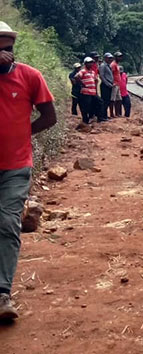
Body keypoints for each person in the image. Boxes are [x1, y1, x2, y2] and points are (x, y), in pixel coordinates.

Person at [0, 21, 57, 321]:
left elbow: (49, 116)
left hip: (15, 165)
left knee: (7, 222)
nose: (4, 55)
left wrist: (23, 134)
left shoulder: (30, 76)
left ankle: (2, 293)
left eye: (8, 48)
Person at [75, 57, 99, 124]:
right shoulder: (83, 71)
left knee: (95, 105)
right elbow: (76, 76)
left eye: (91, 62)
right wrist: (82, 83)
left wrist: (95, 89)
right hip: (86, 92)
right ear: (85, 64)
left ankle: (91, 118)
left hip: (92, 92)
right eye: (89, 63)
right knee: (86, 107)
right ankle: (85, 120)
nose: (90, 64)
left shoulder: (93, 72)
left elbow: (96, 80)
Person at [99, 52, 114, 119]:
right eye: (109, 58)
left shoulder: (108, 66)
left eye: (111, 58)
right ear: (105, 58)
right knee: (104, 101)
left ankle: (105, 115)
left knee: (107, 101)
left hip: (109, 85)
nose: (110, 59)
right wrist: (108, 84)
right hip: (105, 85)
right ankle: (102, 116)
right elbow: (101, 76)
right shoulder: (103, 66)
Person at [111, 52, 123, 117]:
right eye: (119, 57)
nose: (120, 58)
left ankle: (117, 113)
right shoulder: (113, 64)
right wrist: (112, 82)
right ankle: (112, 114)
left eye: (121, 57)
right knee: (113, 99)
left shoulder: (117, 64)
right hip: (114, 84)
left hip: (117, 84)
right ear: (115, 57)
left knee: (119, 99)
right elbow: (111, 73)